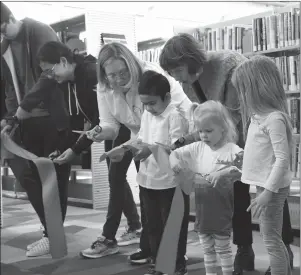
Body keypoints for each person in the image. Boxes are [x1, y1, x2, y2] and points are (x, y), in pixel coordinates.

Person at [159, 33, 294, 274]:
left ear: (189, 60)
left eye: (176, 70)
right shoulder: (188, 81)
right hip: (229, 139)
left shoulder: (230, 66)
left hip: (250, 135)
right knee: (236, 194)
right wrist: (192, 140)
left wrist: (231, 151)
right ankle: (244, 248)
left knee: (270, 195)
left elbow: (237, 115)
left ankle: (282, 252)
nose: (176, 78)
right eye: (171, 73)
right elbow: (205, 117)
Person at [81, 42, 191, 265]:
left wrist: (150, 147)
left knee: (169, 211)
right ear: (103, 74)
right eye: (111, 75)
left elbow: (182, 121)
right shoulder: (108, 91)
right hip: (145, 144)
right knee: (150, 207)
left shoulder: (155, 82)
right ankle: (154, 253)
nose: (119, 79)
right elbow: (119, 127)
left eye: (123, 72)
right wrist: (104, 135)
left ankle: (174, 259)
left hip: (171, 152)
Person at [27, 40, 142, 246]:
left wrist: (76, 148)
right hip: (111, 127)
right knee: (116, 178)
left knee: (121, 178)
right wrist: (66, 149)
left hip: (122, 126)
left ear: (63, 61)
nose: (50, 76)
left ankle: (112, 236)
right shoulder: (67, 84)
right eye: (45, 73)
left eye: (51, 70)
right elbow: (77, 122)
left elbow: (101, 120)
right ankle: (134, 226)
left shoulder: (90, 74)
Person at [0, 2, 70, 257]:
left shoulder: (39, 31)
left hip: (51, 118)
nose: (1, 34)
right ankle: (51, 231)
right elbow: (8, 87)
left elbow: (49, 75)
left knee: (54, 179)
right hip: (24, 120)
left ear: (10, 18)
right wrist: (10, 117)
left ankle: (52, 235)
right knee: (28, 176)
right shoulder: (4, 48)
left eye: (1, 28)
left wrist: (23, 108)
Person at [232, 55, 293, 275]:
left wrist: (268, 191)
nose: (240, 96)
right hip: (265, 185)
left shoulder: (274, 119)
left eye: (243, 90)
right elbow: (259, 152)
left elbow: (282, 159)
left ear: (258, 88)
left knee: (271, 241)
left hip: (272, 188)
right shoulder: (257, 117)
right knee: (273, 239)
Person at [170, 100, 243, 275]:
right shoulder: (198, 148)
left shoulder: (230, 149)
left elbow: (244, 163)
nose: (204, 135)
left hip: (221, 210)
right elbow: (174, 153)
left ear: (223, 128)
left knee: (223, 249)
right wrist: (174, 162)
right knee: (207, 250)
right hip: (202, 211)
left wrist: (224, 172)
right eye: (200, 131)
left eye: (209, 131)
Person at [133, 70, 189, 275]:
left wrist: (152, 148)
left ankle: (177, 265)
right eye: (144, 104)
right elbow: (140, 137)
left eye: (152, 103)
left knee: (172, 226)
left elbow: (177, 147)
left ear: (167, 97)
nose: (148, 108)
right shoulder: (148, 114)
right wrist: (129, 148)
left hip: (170, 182)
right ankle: (159, 263)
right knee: (152, 225)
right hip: (148, 180)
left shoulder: (175, 116)